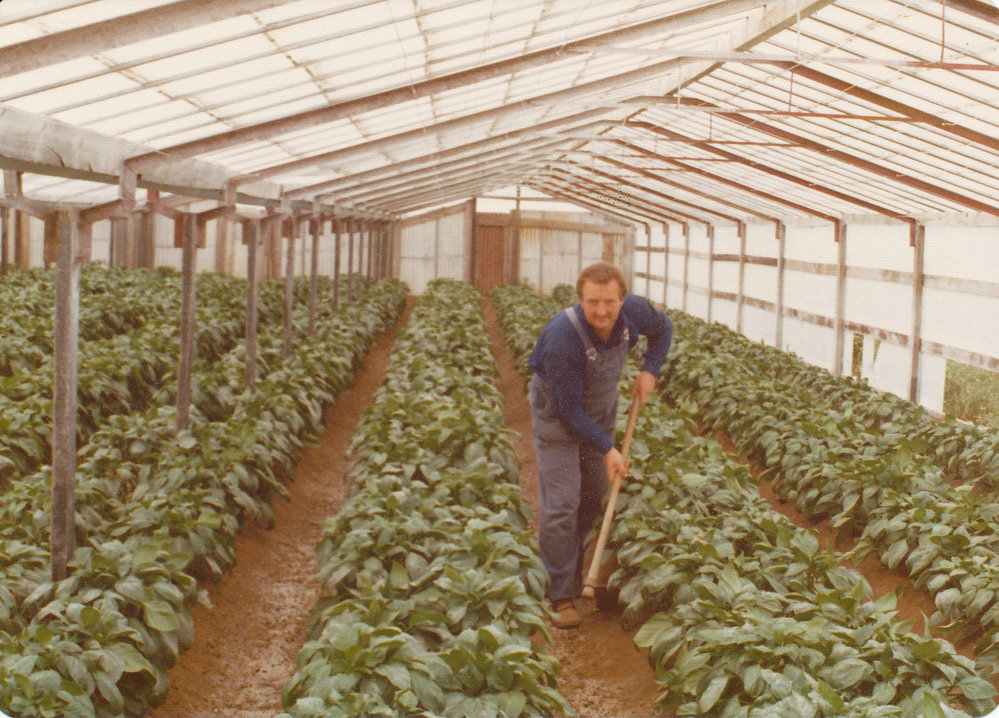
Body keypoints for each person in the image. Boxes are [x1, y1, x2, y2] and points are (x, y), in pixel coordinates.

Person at [528, 262, 672, 628]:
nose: (602, 311)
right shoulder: (563, 336)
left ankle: (573, 573)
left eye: (610, 302)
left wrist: (649, 369)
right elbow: (567, 408)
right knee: (562, 502)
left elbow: (664, 329)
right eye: (593, 302)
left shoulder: (634, 312)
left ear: (623, 299)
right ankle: (560, 595)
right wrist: (609, 449)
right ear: (580, 299)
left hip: (600, 411)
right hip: (558, 418)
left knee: (591, 497)